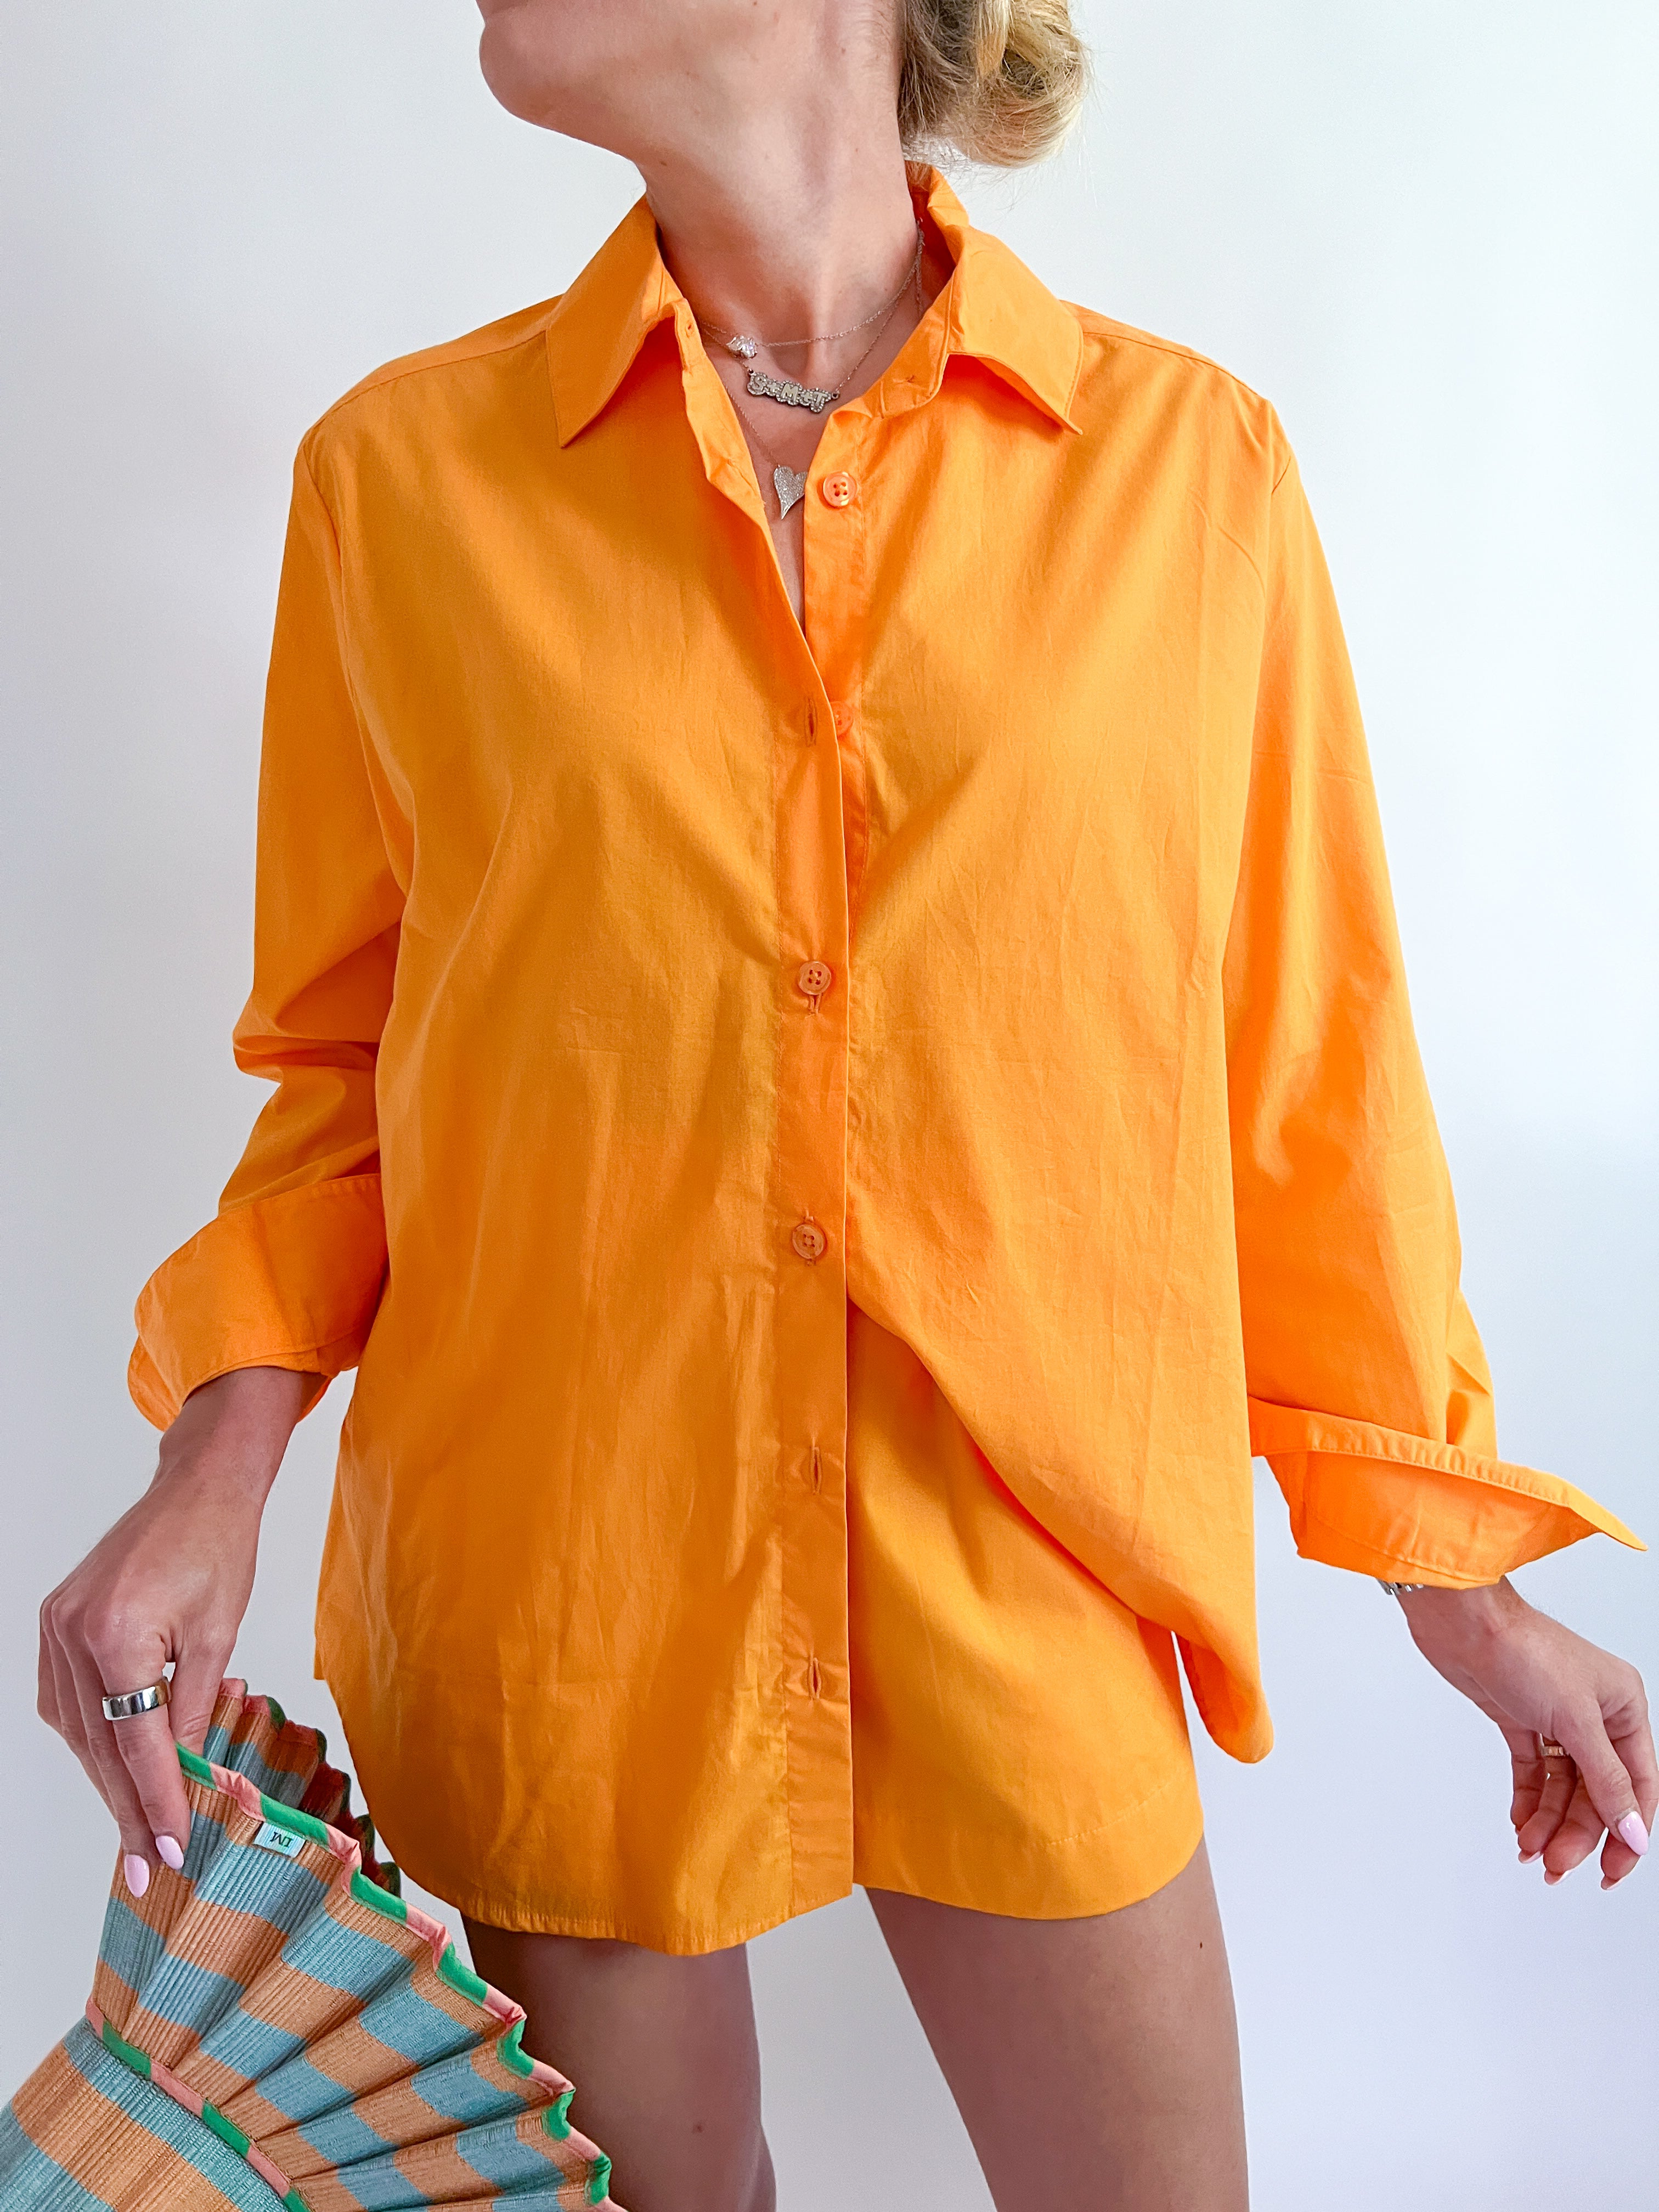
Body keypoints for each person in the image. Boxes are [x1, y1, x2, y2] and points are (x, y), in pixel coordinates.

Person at [35, 4, 1655, 2207]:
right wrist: (211, 1469)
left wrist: (1461, 1585)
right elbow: (341, 1080)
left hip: (1033, 1565)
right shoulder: (400, 484)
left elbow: (1306, 1076)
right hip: (564, 1581)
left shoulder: (1189, 477)